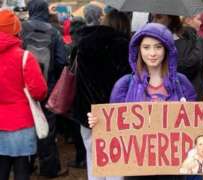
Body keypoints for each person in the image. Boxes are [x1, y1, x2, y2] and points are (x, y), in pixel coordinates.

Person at [88, 22, 203, 180]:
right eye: (146, 47)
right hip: (137, 170)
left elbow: (196, 127)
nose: (152, 53)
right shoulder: (124, 85)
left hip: (173, 170)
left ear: (167, 49)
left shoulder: (181, 84)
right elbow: (113, 127)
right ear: (138, 50)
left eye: (158, 47)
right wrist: (98, 121)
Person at [73, 4, 131, 180]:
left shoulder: (83, 42)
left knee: (93, 160)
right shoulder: (125, 47)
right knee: (116, 161)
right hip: (116, 114)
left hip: (87, 113)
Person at [20, 0, 67, 177]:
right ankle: (49, 169)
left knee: (26, 125)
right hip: (48, 86)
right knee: (47, 127)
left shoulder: (22, 28)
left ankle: (26, 165)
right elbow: (62, 61)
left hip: (23, 87)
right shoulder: (54, 32)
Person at [0, 9, 47, 180]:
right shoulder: (25, 57)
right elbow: (39, 91)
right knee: (22, 171)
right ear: (15, 30)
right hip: (22, 122)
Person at [152, 14, 203, 101]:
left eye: (158, 17)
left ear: (170, 19)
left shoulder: (162, 44)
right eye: (153, 17)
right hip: (194, 97)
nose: (154, 21)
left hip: (175, 98)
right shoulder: (196, 40)